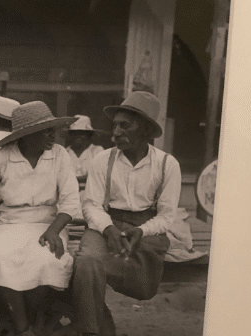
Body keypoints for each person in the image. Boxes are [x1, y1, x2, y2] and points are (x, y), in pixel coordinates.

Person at [72, 91, 181, 336]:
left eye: (125, 126)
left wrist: (141, 231)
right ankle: (91, 331)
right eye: (115, 126)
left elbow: (166, 216)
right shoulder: (102, 160)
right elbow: (91, 205)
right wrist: (108, 229)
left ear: (144, 129)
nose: (116, 133)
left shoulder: (167, 164)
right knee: (87, 262)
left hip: (147, 227)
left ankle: (93, 296)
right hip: (106, 223)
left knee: (143, 285)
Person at [0, 101, 81, 336]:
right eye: (46, 131)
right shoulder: (3, 157)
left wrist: (55, 230)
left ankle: (34, 316)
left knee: (47, 261)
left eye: (52, 130)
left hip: (48, 222)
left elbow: (70, 200)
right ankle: (23, 326)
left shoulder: (59, 155)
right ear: (27, 135)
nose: (52, 136)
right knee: (0, 258)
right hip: (9, 222)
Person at [65, 115, 104, 184]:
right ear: (70, 135)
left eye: (82, 133)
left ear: (88, 135)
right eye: (75, 133)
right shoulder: (64, 153)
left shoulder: (97, 151)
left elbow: (99, 175)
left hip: (91, 193)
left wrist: (71, 180)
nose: (78, 136)